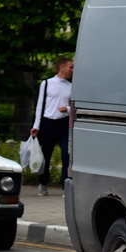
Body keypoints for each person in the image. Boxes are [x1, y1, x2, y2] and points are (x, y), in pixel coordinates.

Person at [30, 56, 73, 195]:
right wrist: (36, 125)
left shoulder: (71, 86)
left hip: (63, 123)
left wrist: (66, 109)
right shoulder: (47, 83)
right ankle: (43, 182)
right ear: (62, 67)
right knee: (45, 154)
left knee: (66, 153)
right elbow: (40, 105)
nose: (72, 70)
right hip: (48, 122)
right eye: (70, 67)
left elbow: (74, 107)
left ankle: (65, 185)